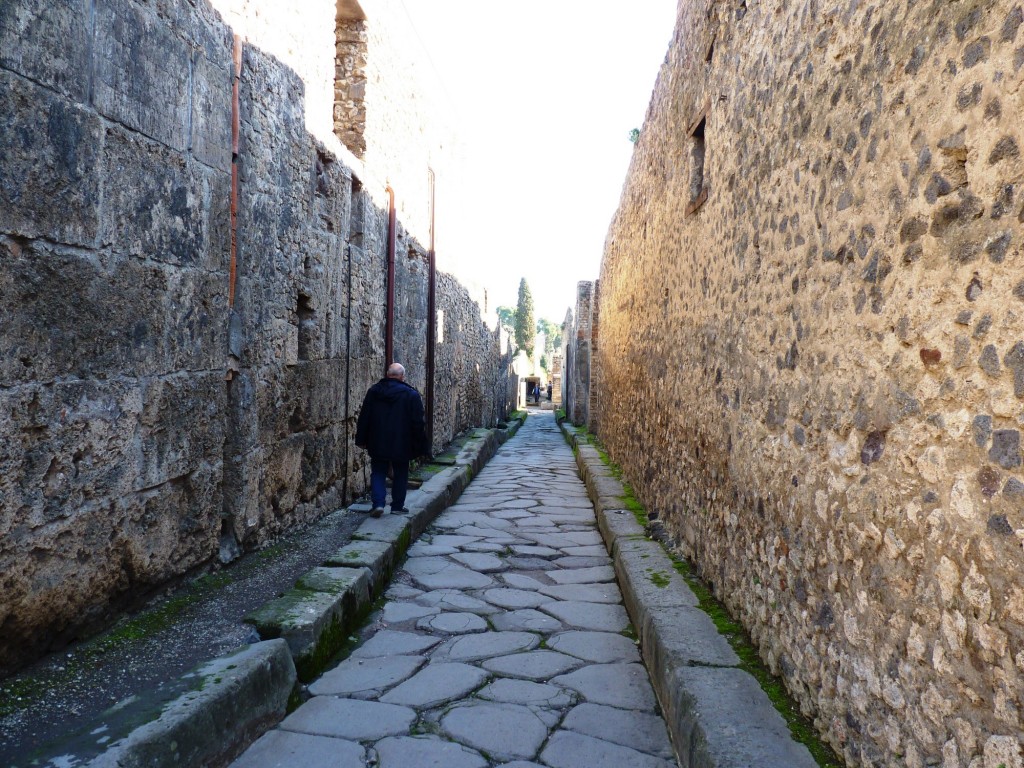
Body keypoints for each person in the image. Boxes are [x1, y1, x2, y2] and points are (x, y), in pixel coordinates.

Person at [355, 362, 428, 518]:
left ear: (388, 375)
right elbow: (418, 422)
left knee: (378, 471)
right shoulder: (411, 395)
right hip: (402, 441)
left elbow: (364, 417)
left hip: (377, 440)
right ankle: (397, 506)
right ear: (402, 377)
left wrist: (361, 439)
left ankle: (378, 504)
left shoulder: (374, 392)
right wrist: (420, 443)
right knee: (401, 472)